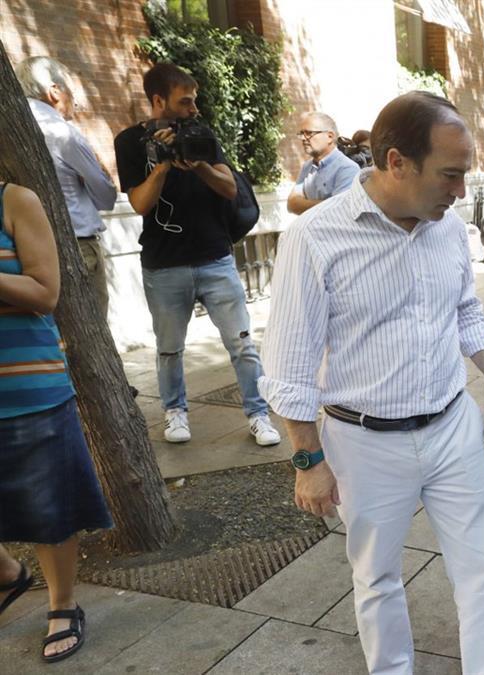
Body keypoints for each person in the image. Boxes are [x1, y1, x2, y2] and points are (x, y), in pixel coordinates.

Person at [259, 91, 484, 675]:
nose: (459, 192)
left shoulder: (446, 228)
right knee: (376, 579)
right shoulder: (315, 238)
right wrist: (309, 460)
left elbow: (465, 308)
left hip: (453, 428)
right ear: (396, 162)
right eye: (450, 175)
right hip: (363, 442)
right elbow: (288, 367)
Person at [113, 63, 280, 447]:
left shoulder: (203, 135)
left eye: (194, 101)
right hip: (163, 262)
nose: (193, 109)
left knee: (242, 343)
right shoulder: (129, 142)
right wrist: (164, 165)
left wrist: (200, 163)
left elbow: (228, 189)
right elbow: (139, 203)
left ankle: (258, 414)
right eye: (184, 101)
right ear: (158, 100)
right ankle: (175, 412)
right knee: (169, 349)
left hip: (215, 257)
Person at [0, 181, 113, 664]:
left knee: (50, 506)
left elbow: (45, 292)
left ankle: (62, 604)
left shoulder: (14, 201)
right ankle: (7, 573)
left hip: (26, 386)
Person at [18, 56, 117, 317]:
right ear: (54, 91)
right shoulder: (62, 132)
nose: (77, 101)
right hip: (79, 245)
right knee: (92, 330)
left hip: (23, 250)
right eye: (71, 90)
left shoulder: (13, 130)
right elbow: (107, 196)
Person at [287, 112, 361, 215]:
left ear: (330, 136)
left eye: (309, 133)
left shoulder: (348, 169)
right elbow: (292, 204)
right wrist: (328, 204)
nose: (303, 138)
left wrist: (303, 204)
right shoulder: (307, 167)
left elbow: (339, 211)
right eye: (301, 134)